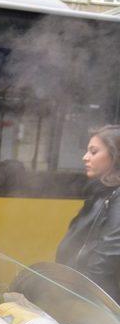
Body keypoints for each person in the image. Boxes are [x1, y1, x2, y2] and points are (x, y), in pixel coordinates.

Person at [56, 125, 120, 302]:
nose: (85, 157)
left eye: (94, 151)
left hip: (93, 298)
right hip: (79, 289)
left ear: (115, 156)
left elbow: (109, 254)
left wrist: (79, 295)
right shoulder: (102, 191)